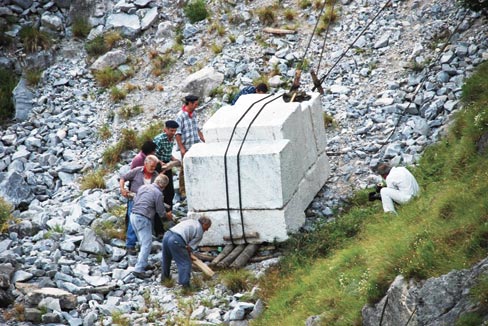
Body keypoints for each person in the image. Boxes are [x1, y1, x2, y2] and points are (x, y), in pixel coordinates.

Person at [130, 174, 172, 279]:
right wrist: (168, 216)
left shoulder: (143, 187)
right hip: (143, 218)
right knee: (146, 244)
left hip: (133, 215)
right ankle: (138, 269)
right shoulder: (158, 193)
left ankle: (143, 263)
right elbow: (161, 212)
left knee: (141, 242)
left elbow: (135, 200)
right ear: (163, 186)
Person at [119, 155, 159, 255]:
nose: (153, 169)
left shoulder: (155, 175)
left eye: (154, 167)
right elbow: (123, 178)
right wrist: (122, 189)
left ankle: (144, 244)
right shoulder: (137, 171)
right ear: (145, 164)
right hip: (134, 199)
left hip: (148, 202)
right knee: (133, 222)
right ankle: (130, 245)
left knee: (148, 222)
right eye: (151, 166)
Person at [161, 216, 212, 287]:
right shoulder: (200, 231)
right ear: (204, 224)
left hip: (167, 235)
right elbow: (189, 247)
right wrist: (188, 256)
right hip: (176, 239)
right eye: (208, 227)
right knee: (185, 263)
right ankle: (185, 285)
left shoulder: (192, 221)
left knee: (166, 259)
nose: (207, 230)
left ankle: (164, 280)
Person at [175, 95, 205, 198]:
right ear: (190, 104)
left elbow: (197, 129)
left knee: (196, 165)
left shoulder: (194, 114)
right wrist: (182, 148)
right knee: (184, 168)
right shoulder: (180, 116)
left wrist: (205, 140)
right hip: (186, 146)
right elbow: (177, 133)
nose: (197, 106)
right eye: (195, 104)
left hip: (195, 145)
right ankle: (183, 190)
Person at [153, 120, 180, 210]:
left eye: (175, 131)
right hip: (158, 165)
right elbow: (153, 154)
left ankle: (169, 210)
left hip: (167, 164)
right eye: (171, 131)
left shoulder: (172, 139)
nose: (173, 133)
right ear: (166, 129)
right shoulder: (159, 139)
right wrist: (160, 162)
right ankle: (160, 210)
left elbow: (167, 152)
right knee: (160, 189)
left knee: (170, 191)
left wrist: (173, 159)